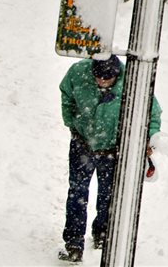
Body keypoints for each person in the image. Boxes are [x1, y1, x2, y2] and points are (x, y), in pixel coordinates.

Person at [58, 55, 161, 263]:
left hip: (112, 150)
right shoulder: (78, 73)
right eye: (97, 78)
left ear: (116, 74)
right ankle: (74, 244)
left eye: (107, 80)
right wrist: (71, 122)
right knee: (77, 192)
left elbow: (153, 114)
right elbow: (66, 93)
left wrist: (149, 138)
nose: (101, 82)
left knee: (108, 195)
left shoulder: (133, 80)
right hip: (82, 144)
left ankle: (102, 235)